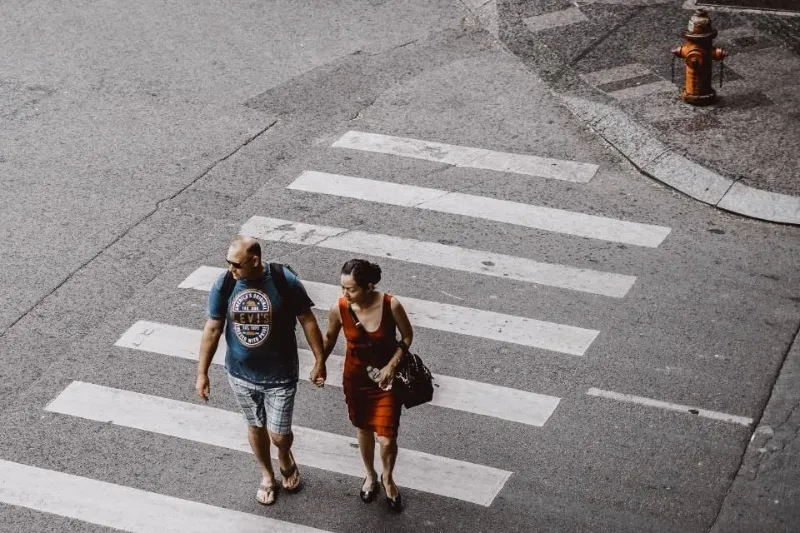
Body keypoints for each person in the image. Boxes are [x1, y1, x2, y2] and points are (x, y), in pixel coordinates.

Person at [195, 235, 327, 506]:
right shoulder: (225, 283)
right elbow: (213, 328)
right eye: (228, 263)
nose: (231, 269)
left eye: (236, 264)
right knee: (255, 426)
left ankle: (285, 456)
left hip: (280, 374)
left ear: (254, 260)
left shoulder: (284, 280)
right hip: (240, 373)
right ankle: (267, 475)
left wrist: (319, 359)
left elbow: (308, 320)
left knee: (279, 435)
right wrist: (202, 373)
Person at [322, 259, 413, 512]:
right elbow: (329, 338)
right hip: (356, 379)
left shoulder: (390, 304)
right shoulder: (340, 308)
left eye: (351, 289)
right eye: (342, 288)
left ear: (369, 286)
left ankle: (388, 477)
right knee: (362, 429)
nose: (345, 293)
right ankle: (370, 475)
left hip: (386, 382)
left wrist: (392, 365)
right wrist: (320, 363)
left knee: (386, 439)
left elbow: (407, 336)